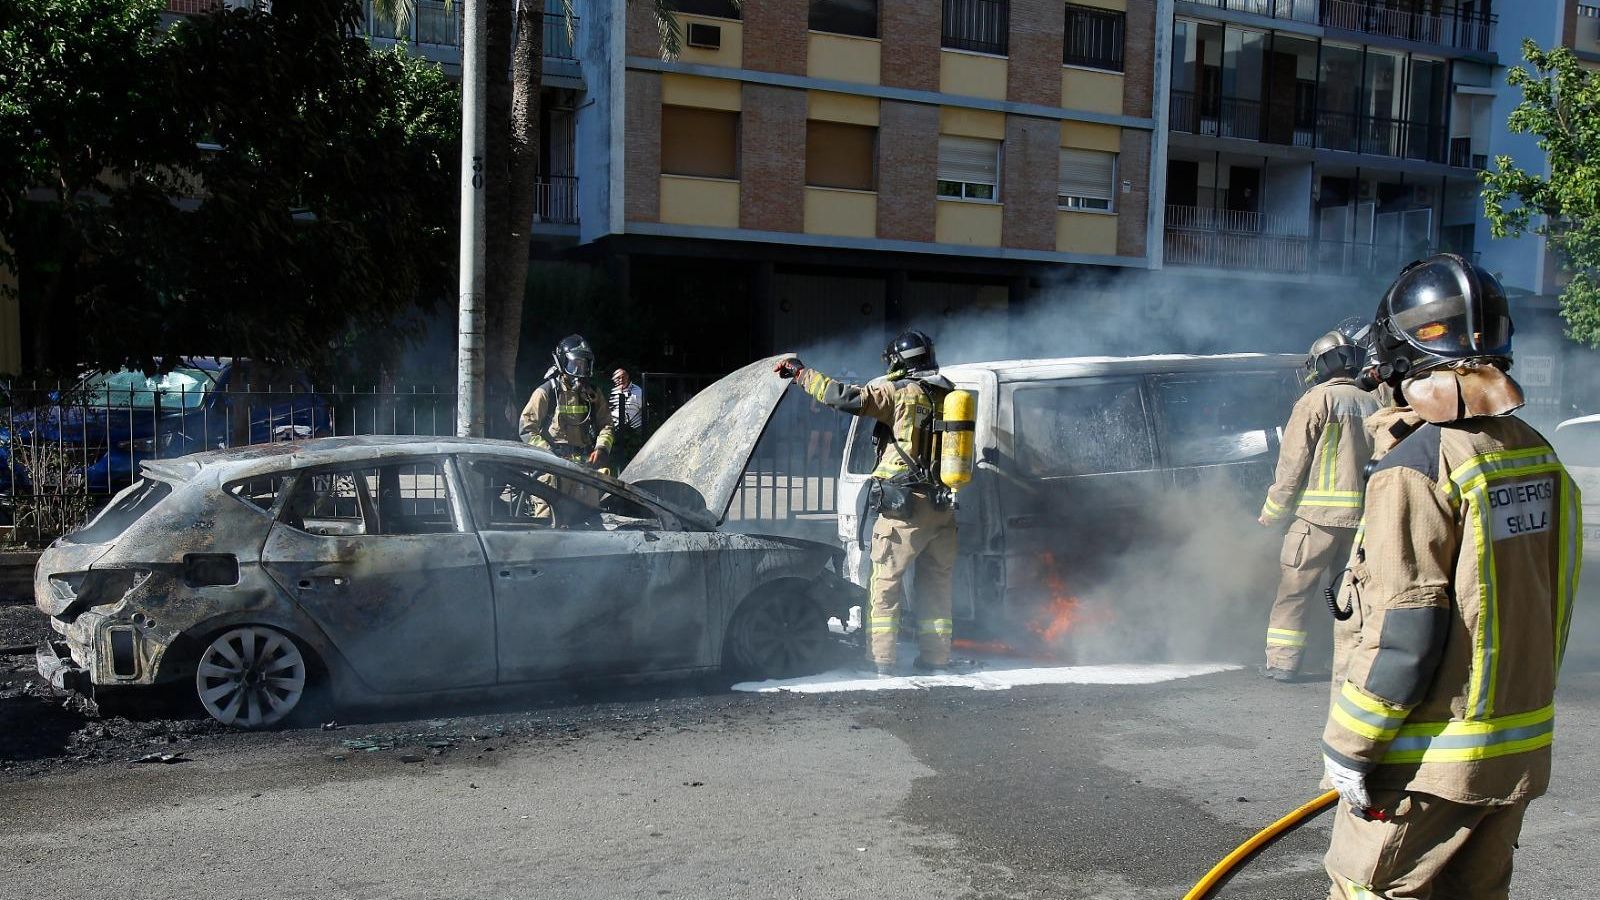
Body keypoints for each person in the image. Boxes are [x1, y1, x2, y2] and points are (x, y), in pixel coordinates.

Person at [1321, 253, 1581, 900]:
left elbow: (1404, 627)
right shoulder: (1532, 451)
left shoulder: (1419, 466)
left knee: (1366, 887)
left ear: (1399, 357)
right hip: (1514, 750)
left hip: (1426, 764)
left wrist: (1351, 746)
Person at [774, 332, 956, 677]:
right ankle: (936, 659)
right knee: (936, 588)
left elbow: (844, 398)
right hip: (942, 507)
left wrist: (801, 373)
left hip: (905, 509)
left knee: (885, 584)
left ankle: (880, 659)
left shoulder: (899, 393)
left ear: (898, 361)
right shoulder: (948, 394)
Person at [1258, 329, 1380, 681]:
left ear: (1319, 365)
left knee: (1294, 591)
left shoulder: (1315, 401)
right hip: (1361, 522)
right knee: (1350, 594)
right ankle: (1349, 662)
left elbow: (1292, 464)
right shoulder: (1373, 403)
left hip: (1316, 521)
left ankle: (1283, 662)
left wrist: (1272, 512)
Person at [518, 334, 615, 508]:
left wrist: (601, 448)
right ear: (562, 363)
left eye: (583, 364)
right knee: (549, 521)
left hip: (585, 471)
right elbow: (527, 428)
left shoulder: (593, 394)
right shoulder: (547, 392)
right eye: (574, 363)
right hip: (553, 472)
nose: (579, 369)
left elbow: (606, 424)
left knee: (589, 518)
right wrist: (548, 454)